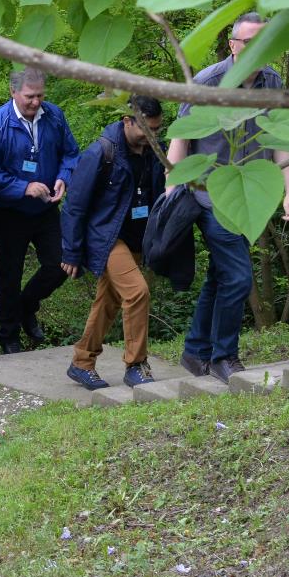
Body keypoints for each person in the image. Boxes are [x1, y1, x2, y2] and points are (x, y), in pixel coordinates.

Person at [167, 10, 289, 383]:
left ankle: (196, 352)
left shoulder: (272, 81)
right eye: (249, 41)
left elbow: (281, 140)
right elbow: (180, 137)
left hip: (250, 196)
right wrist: (169, 196)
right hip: (209, 196)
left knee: (221, 275)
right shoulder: (208, 82)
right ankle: (224, 356)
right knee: (240, 278)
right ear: (232, 45)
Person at [60, 96, 167, 391]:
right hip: (105, 237)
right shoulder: (101, 152)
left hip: (136, 237)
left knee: (107, 302)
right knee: (137, 293)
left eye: (157, 129)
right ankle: (135, 365)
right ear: (127, 121)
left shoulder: (154, 151)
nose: (153, 136)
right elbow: (75, 205)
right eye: (148, 129)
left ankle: (81, 362)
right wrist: (71, 250)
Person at [0, 68, 79, 354]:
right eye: (29, 97)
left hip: (46, 208)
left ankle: (27, 306)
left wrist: (64, 177)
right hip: (8, 212)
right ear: (13, 92)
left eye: (39, 95)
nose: (35, 102)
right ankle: (8, 338)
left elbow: (71, 154)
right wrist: (22, 187)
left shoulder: (54, 116)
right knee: (8, 276)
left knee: (62, 263)